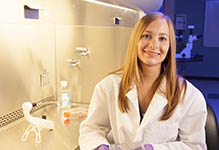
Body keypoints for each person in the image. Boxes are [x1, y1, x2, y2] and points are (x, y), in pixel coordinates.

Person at [79, 12, 207, 150]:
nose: (154, 44)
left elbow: (194, 146)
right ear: (136, 40)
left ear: (170, 46)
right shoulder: (109, 86)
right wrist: (99, 146)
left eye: (162, 38)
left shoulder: (190, 96)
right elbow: (92, 128)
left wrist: (153, 149)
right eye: (147, 36)